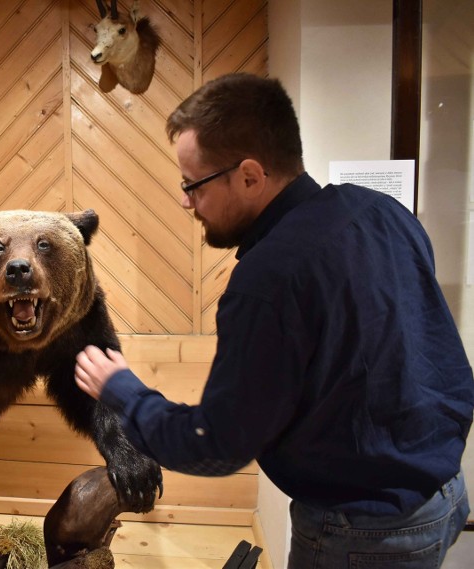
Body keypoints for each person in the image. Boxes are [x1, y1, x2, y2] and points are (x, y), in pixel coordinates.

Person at [74, 73, 474, 568]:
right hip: (444, 496)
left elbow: (216, 444)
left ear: (249, 176)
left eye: (192, 185)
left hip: (364, 535)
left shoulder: (268, 280)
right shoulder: (383, 211)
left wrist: (121, 390)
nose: (185, 201)